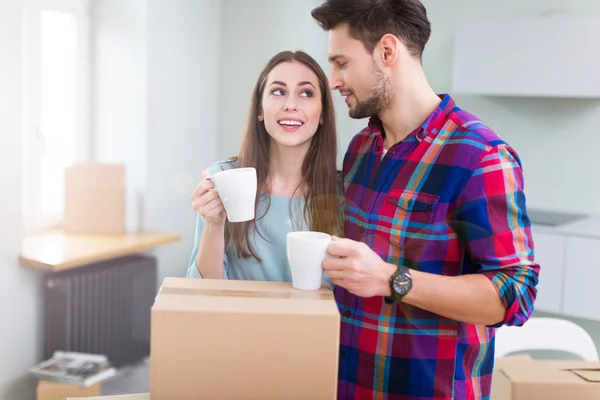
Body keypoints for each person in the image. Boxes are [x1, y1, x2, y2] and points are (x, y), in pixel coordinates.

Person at [311, 1, 540, 399]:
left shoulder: (479, 156)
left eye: (342, 63)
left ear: (387, 51)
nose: (333, 80)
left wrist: (390, 279)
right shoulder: (362, 147)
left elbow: (514, 294)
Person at [186, 50, 342, 281]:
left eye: (306, 93)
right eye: (278, 92)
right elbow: (203, 293)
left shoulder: (345, 190)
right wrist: (214, 224)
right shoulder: (222, 178)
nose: (291, 104)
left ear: (323, 114)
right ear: (259, 109)